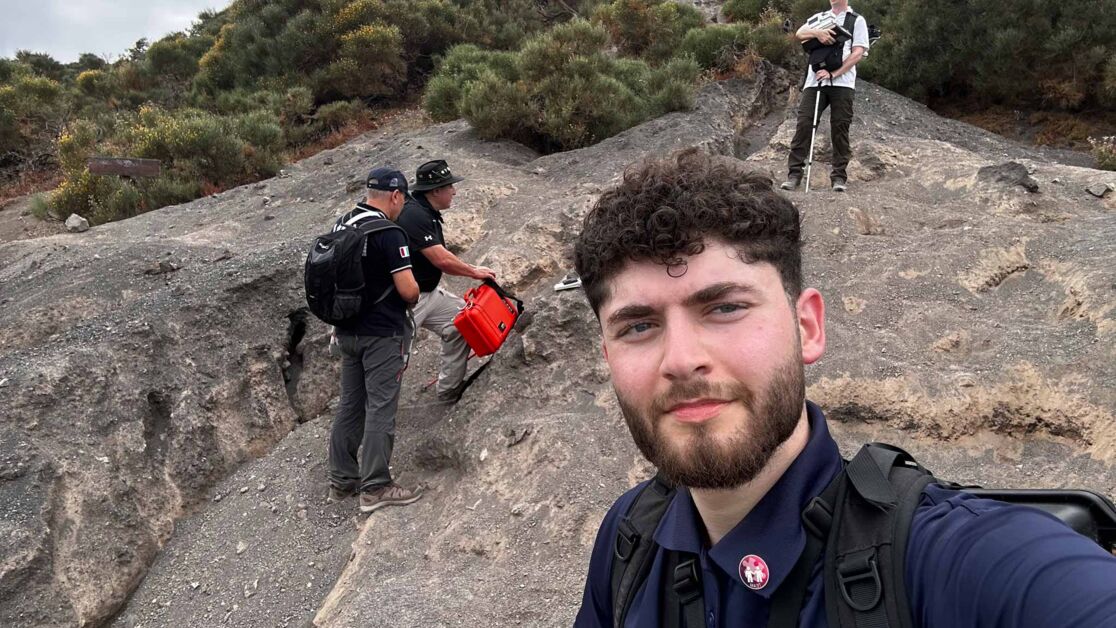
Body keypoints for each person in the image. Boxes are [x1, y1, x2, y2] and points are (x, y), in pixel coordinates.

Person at [572, 149, 1116, 626]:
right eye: (638, 326)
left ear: (807, 327)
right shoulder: (631, 539)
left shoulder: (955, 560)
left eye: (725, 307)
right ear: (608, 355)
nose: (682, 361)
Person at [327, 167, 423, 513]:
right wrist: (412, 298)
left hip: (346, 332)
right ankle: (376, 487)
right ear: (395, 196)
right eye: (402, 200)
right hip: (382, 334)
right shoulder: (389, 233)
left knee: (351, 404)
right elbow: (408, 289)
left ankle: (342, 479)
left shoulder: (342, 223)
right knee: (381, 406)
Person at [397, 159, 497, 403]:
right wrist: (474, 272)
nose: (454, 191)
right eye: (449, 186)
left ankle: (448, 390)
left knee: (462, 324)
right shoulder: (413, 215)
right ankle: (369, 411)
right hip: (406, 301)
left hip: (428, 294)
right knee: (392, 358)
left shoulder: (425, 211)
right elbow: (441, 259)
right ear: (435, 191)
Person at [781, 0, 869, 193]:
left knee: (840, 127)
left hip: (843, 83)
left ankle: (839, 177)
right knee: (804, 124)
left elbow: (858, 53)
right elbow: (799, 34)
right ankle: (794, 174)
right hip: (814, 81)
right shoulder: (819, 18)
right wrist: (818, 33)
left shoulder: (856, 20)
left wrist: (834, 73)